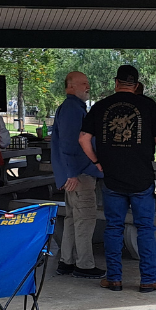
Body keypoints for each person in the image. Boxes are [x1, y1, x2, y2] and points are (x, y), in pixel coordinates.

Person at [79, 64, 156, 293]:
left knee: (113, 228)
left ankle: (114, 279)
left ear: (116, 82)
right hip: (141, 178)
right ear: (136, 84)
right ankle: (149, 279)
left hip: (112, 178)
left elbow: (83, 139)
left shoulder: (101, 106)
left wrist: (97, 162)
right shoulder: (148, 105)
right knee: (145, 229)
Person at [51, 71, 104, 279]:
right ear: (70, 86)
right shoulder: (73, 109)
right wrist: (71, 173)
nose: (87, 87)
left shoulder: (70, 107)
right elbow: (69, 143)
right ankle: (84, 264)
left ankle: (67, 261)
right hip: (80, 174)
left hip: (74, 173)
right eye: (83, 83)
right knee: (85, 219)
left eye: (87, 83)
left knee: (73, 219)